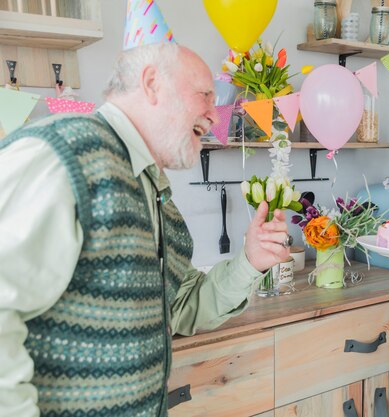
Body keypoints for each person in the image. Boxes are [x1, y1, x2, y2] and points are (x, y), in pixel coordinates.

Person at [0, 42, 292, 417]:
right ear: (152, 83)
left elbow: (181, 309)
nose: (214, 115)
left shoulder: (157, 197)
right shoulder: (64, 155)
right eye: (205, 94)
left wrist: (251, 261)